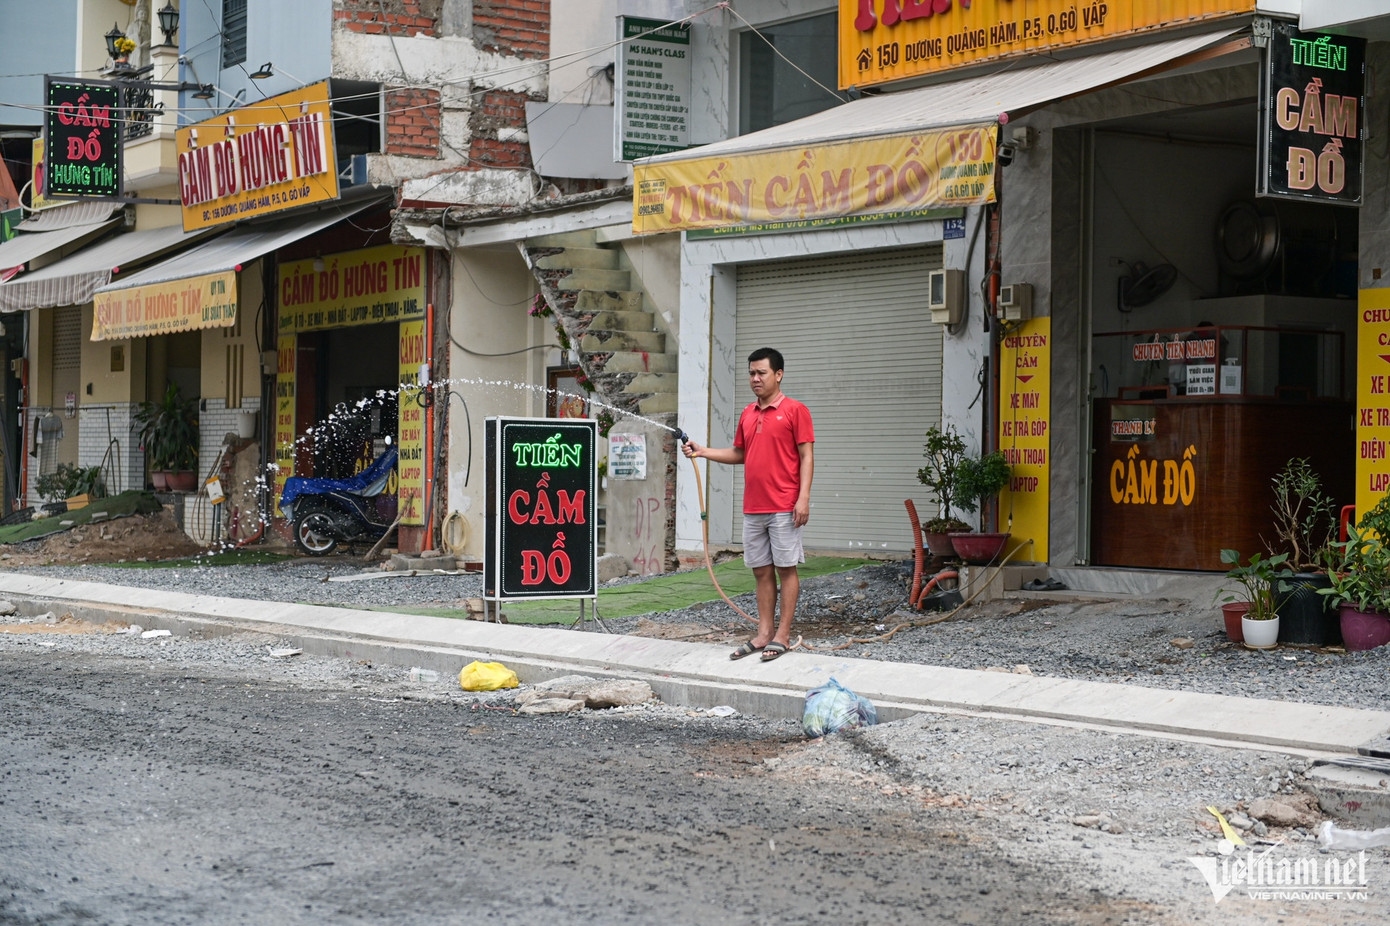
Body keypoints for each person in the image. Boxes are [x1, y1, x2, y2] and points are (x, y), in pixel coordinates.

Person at [683, 347, 814, 662]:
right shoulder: (747, 413)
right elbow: (740, 453)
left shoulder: (796, 411)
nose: (755, 379)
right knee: (761, 572)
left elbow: (807, 455)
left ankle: (782, 635)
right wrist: (702, 451)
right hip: (753, 508)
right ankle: (764, 633)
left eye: (762, 373)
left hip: (784, 505)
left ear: (778, 375)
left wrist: (803, 498)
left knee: (786, 569)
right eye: (752, 373)